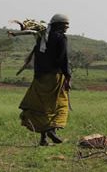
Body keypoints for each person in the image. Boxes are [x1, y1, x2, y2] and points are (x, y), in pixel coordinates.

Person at [18, 14, 72, 146]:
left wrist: (37, 75)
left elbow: (38, 58)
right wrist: (68, 75)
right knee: (58, 105)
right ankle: (51, 131)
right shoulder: (60, 38)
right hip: (55, 77)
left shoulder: (42, 38)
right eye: (65, 25)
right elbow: (62, 58)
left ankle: (43, 139)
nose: (67, 28)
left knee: (41, 107)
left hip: (40, 78)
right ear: (57, 25)